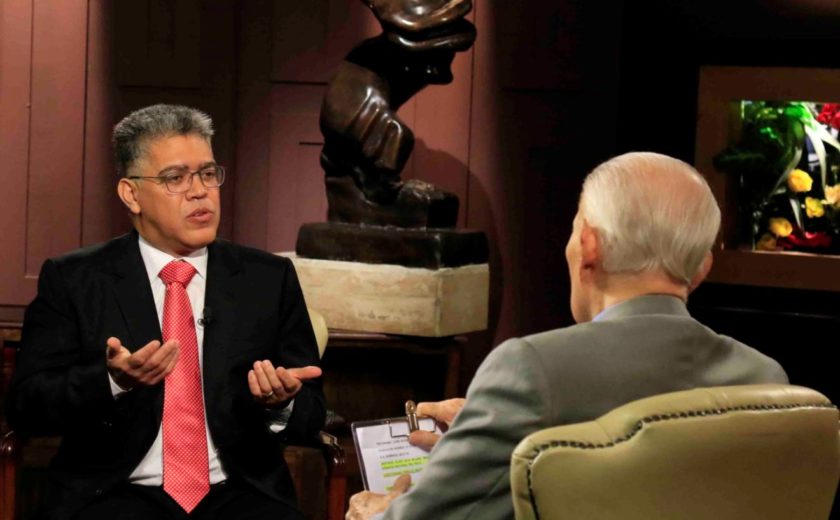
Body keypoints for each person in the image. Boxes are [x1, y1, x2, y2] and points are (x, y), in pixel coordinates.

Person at [346, 152, 788, 520]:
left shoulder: (530, 368)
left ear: (589, 247)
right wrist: (479, 438)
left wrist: (377, 513)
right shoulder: (765, 381)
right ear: (702, 268)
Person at [6, 104, 325, 520]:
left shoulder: (268, 278)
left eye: (207, 174)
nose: (199, 192)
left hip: (239, 492)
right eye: (175, 178)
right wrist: (112, 381)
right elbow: (26, 406)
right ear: (131, 194)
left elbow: (314, 410)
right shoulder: (75, 279)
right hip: (115, 492)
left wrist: (279, 404)